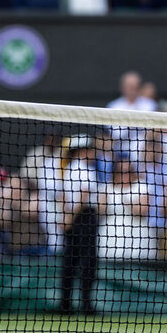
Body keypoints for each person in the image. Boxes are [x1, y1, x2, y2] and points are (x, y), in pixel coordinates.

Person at [59, 134, 107, 315]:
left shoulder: (70, 169)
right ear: (82, 151)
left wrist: (65, 217)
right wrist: (69, 218)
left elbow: (66, 197)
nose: (93, 153)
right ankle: (85, 305)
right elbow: (84, 195)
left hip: (75, 217)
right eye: (89, 149)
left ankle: (66, 304)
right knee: (86, 263)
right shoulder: (84, 170)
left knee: (70, 263)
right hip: (83, 218)